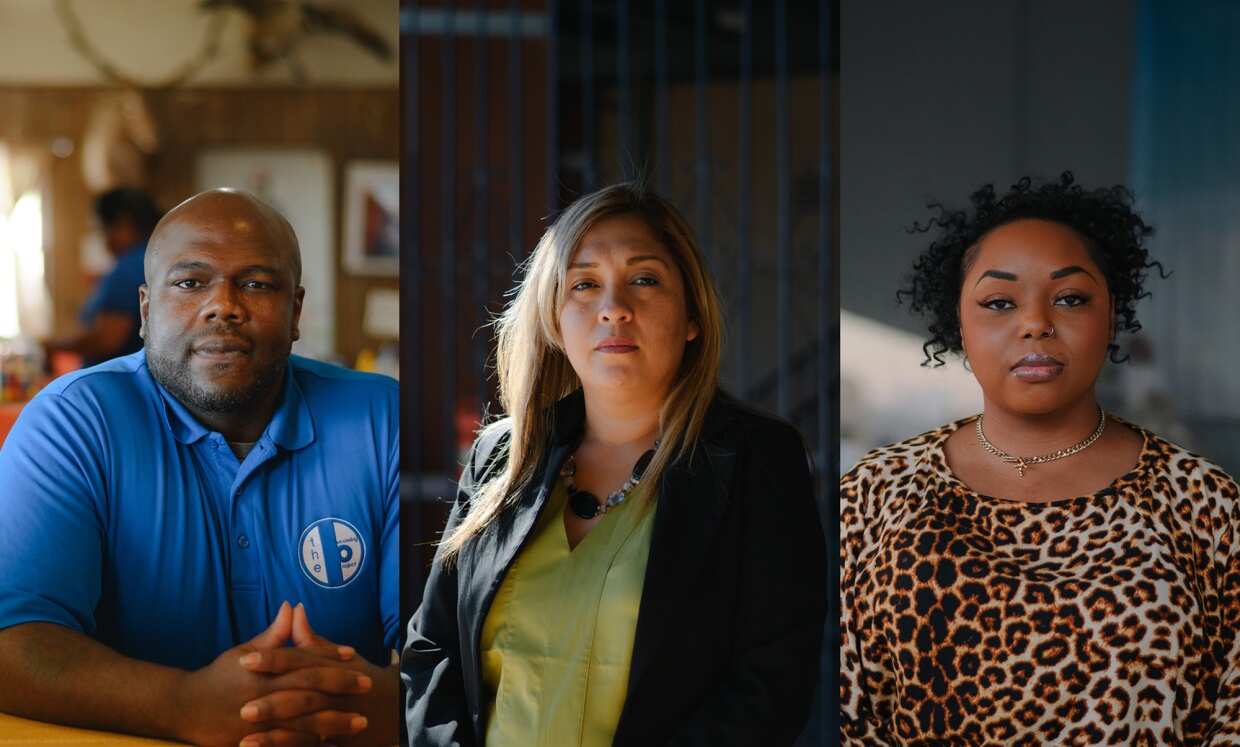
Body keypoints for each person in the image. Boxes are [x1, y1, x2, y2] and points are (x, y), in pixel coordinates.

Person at [403, 182, 828, 745]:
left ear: (692, 314)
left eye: (644, 280)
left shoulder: (757, 462)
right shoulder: (503, 454)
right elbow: (432, 651)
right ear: (556, 320)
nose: (614, 309)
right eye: (584, 284)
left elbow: (770, 687)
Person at [840, 173, 1240, 745]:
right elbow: (845, 711)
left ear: (1111, 315)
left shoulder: (1206, 501)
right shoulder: (871, 495)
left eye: (1071, 298)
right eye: (999, 302)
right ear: (959, 322)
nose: (1035, 324)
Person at [0, 189, 400, 747]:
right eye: (190, 283)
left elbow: (445, 647)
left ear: (296, 313)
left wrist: (376, 704)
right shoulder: (73, 421)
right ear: (145, 310)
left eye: (257, 283)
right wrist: (182, 705)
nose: (224, 305)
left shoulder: (385, 418)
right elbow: (13, 642)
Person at [43, 187, 161, 366]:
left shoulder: (129, 268)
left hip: (121, 384)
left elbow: (106, 340)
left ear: (123, 222)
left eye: (102, 229)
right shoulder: (157, 255)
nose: (103, 240)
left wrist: (52, 345)